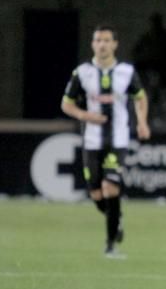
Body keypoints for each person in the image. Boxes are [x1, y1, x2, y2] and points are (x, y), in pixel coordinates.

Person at [61, 25, 150, 259]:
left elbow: (140, 98)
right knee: (97, 195)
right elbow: (66, 104)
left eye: (107, 40)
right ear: (93, 44)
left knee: (111, 188)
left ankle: (110, 246)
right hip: (91, 140)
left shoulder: (126, 72)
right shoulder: (82, 73)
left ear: (115, 44)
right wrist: (85, 116)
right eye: (98, 40)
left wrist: (142, 122)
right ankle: (116, 218)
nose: (102, 44)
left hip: (118, 139)